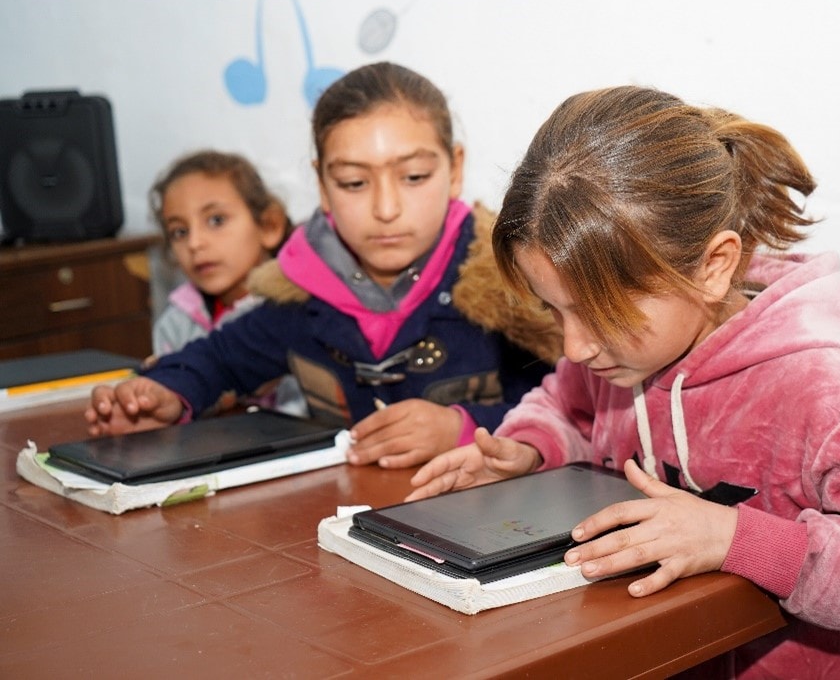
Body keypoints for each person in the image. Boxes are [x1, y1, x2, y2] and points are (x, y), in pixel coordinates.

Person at [407, 85, 840, 677]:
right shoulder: (620, 358)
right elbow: (569, 404)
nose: (575, 346)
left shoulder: (828, 392)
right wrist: (533, 448)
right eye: (555, 310)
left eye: (603, 311)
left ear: (713, 267)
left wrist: (738, 539)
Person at [85, 61, 561, 468]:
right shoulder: (303, 290)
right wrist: (164, 394)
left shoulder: (510, 282)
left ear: (455, 169)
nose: (386, 208)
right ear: (322, 184)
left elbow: (577, 408)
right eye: (354, 182)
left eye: (414, 176)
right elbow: (220, 358)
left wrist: (466, 427)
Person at [146, 149, 303, 415]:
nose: (195, 243)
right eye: (179, 231)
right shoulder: (174, 324)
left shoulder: (294, 311)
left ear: (269, 225)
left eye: (216, 220)